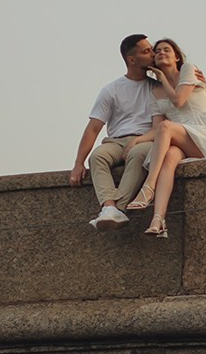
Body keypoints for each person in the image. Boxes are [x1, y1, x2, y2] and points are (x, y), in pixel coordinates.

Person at [127, 37, 206, 238]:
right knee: (169, 157)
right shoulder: (155, 91)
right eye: (157, 51)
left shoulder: (188, 70)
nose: (161, 52)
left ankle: (149, 186)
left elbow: (178, 100)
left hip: (205, 136)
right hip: (181, 138)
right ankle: (158, 220)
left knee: (167, 127)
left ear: (176, 56)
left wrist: (162, 77)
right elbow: (156, 129)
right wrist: (137, 140)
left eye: (167, 49)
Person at [68, 34, 160, 228]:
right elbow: (93, 128)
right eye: (146, 51)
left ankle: (119, 209)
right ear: (132, 60)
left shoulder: (157, 88)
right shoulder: (111, 89)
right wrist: (78, 163)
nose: (153, 54)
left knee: (137, 154)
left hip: (146, 140)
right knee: (98, 156)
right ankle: (109, 207)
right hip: (116, 141)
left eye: (152, 49)